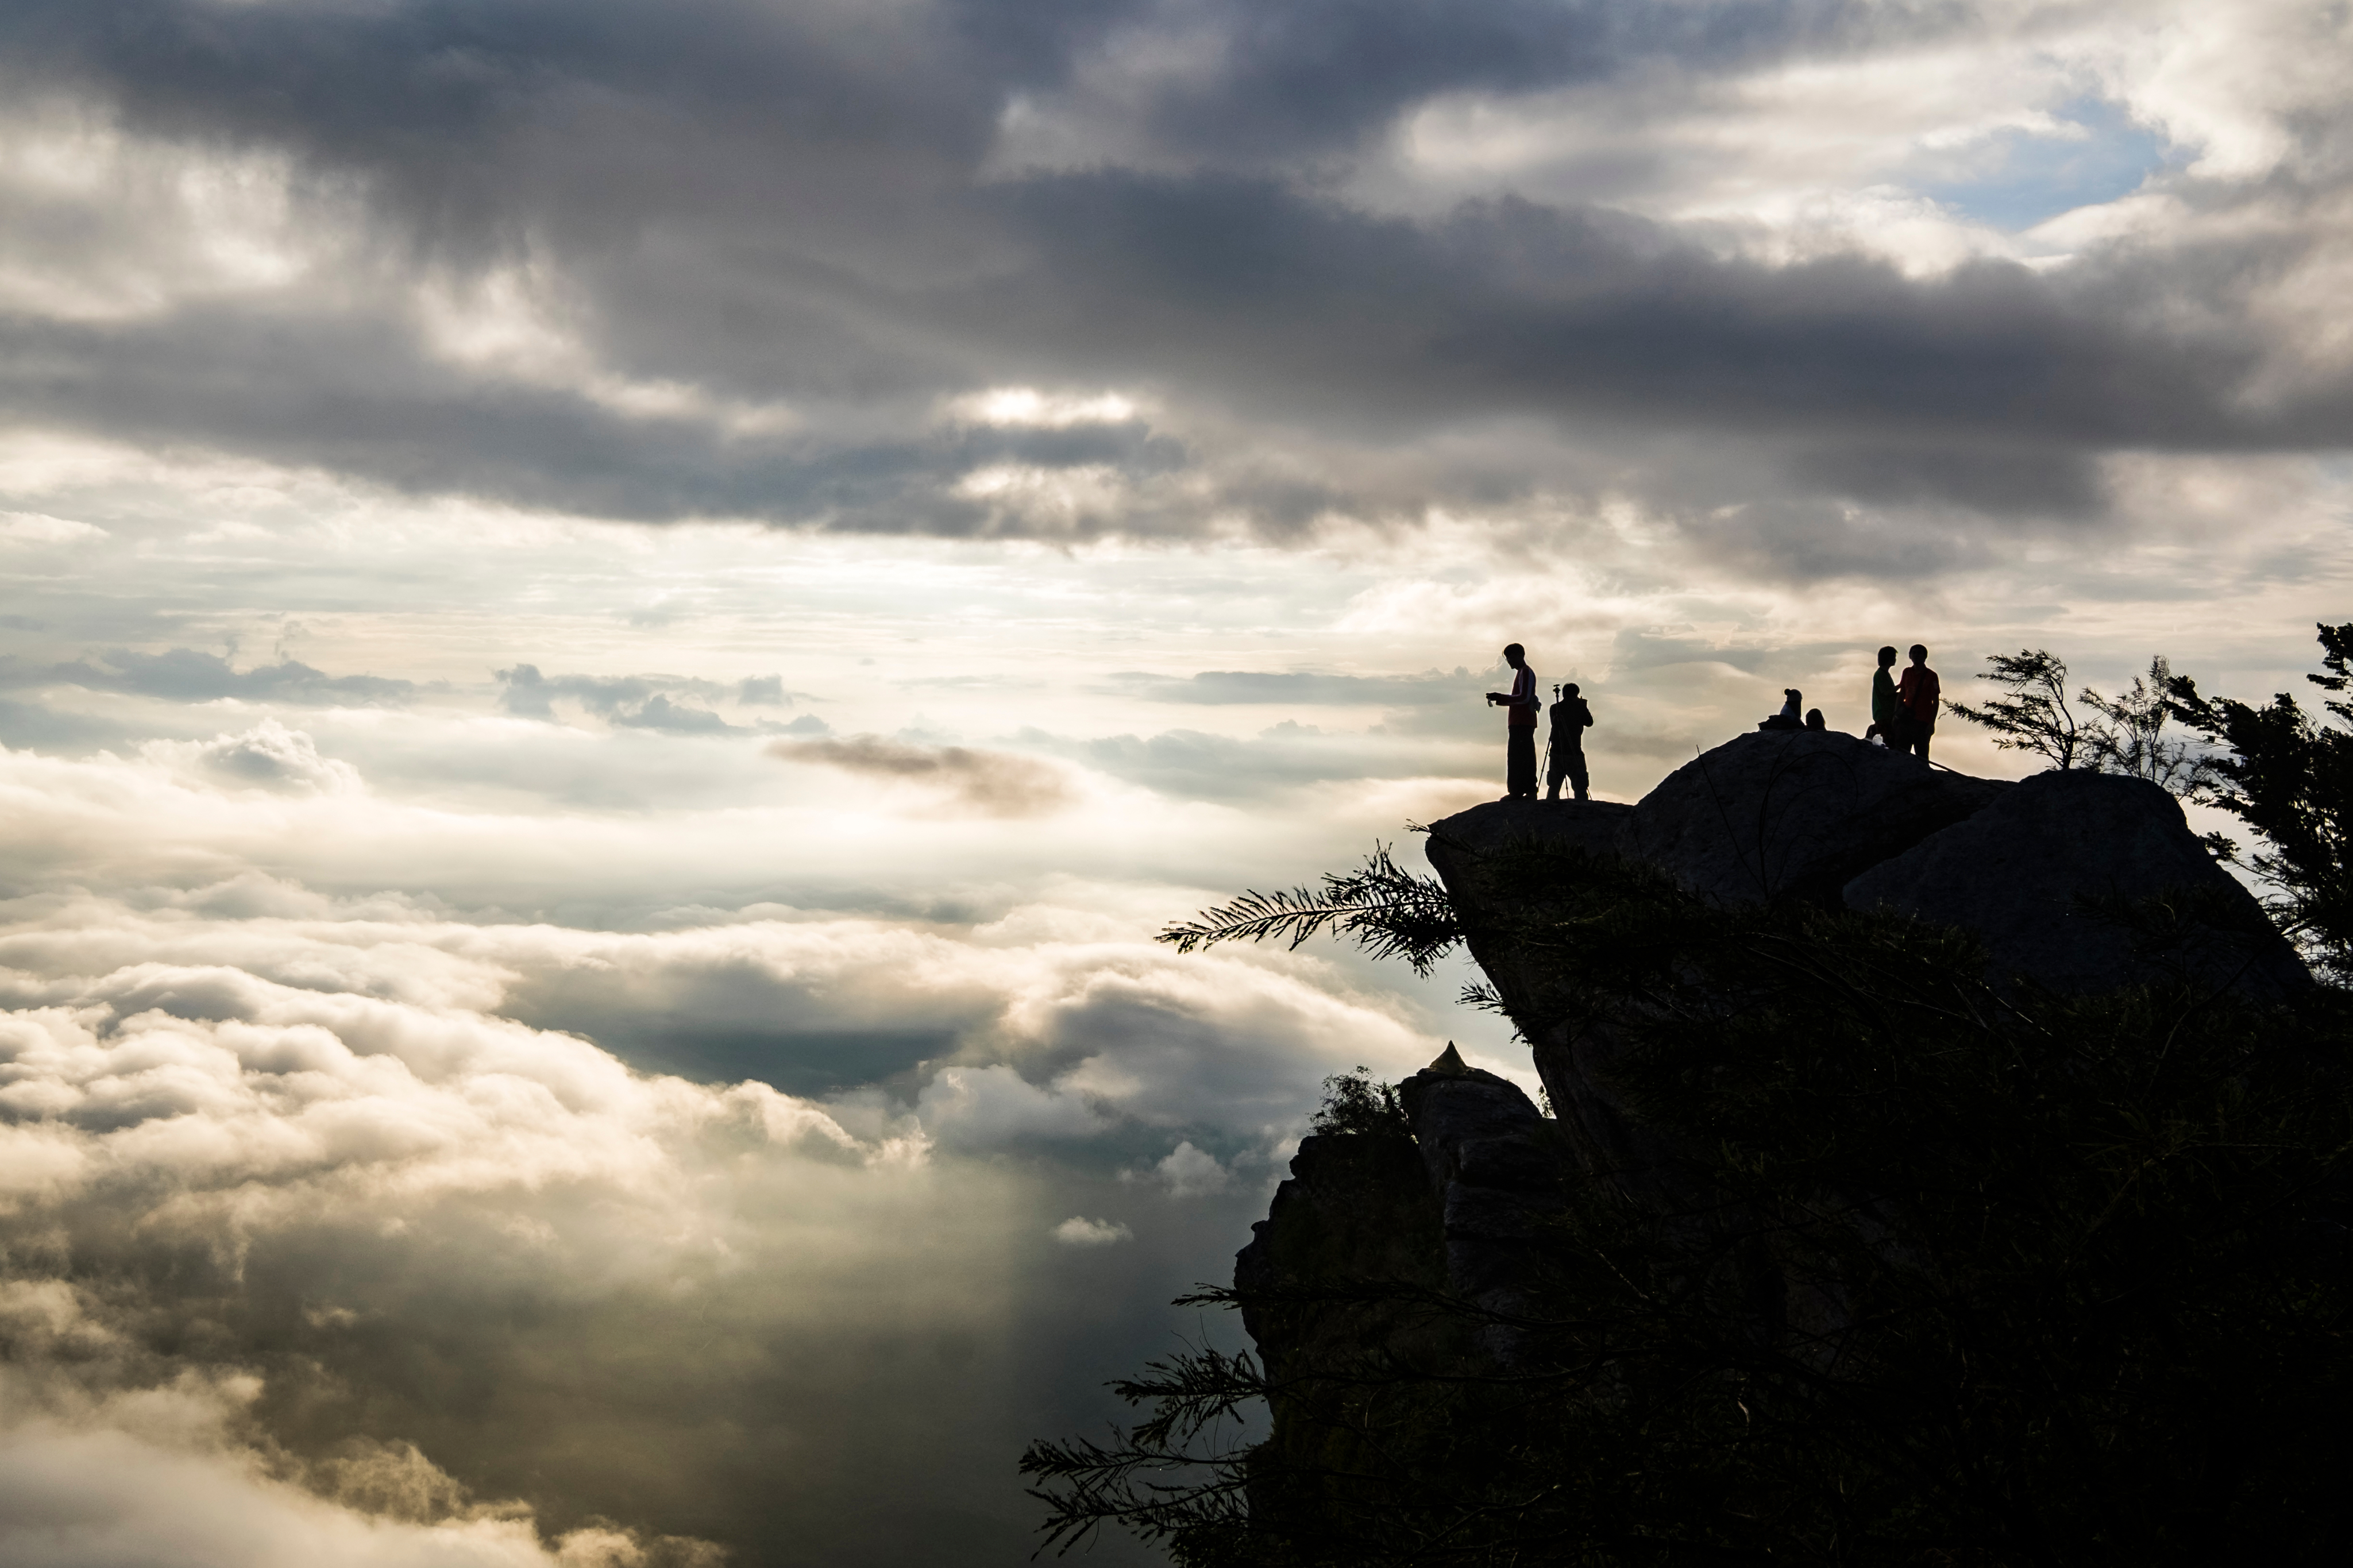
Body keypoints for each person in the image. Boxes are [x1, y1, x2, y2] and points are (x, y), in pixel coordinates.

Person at [1484, 644, 1541, 799]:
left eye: (1510, 657)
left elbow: (1524, 698)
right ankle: (1520, 790)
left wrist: (1500, 697)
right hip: (1519, 721)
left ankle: (1524, 791)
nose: (1508, 661)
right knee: (1518, 756)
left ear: (1519, 655)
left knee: (1522, 756)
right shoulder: (1522, 673)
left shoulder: (1526, 673)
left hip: (1523, 721)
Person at [1545, 682, 1595, 801]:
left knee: (1554, 787)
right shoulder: (1579, 708)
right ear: (1577, 694)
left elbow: (1555, 724)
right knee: (1580, 787)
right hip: (1574, 752)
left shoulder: (1554, 708)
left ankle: (1550, 809)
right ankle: (1582, 812)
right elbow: (1589, 722)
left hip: (1557, 750)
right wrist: (1584, 707)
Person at [1895, 644, 1941, 760]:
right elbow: (1902, 694)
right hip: (1906, 719)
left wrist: (1932, 723)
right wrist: (1896, 715)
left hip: (1922, 722)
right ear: (1910, 656)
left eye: (1919, 653)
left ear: (1925, 657)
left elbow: (1935, 701)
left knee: (1922, 756)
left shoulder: (1931, 676)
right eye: (1914, 653)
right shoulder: (1907, 672)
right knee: (1902, 754)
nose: (1916, 655)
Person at [1865, 645, 1900, 746]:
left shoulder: (1884, 674)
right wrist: (1902, 685)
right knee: (1887, 742)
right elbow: (1887, 692)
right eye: (1894, 657)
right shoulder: (1880, 674)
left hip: (1887, 714)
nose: (1895, 659)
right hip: (1883, 714)